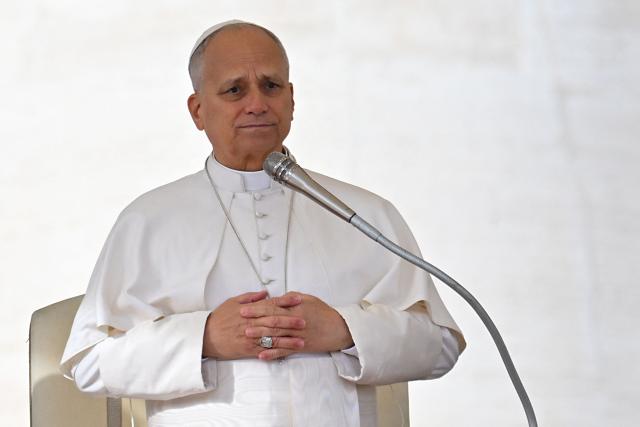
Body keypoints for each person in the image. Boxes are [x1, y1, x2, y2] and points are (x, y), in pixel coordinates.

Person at [60, 20, 466, 426]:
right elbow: (89, 361)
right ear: (198, 110)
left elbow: (441, 346)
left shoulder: (362, 212)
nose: (257, 103)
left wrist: (345, 329)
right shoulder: (147, 221)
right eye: (235, 90)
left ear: (291, 99)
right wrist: (202, 339)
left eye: (271, 86)